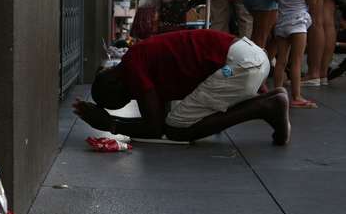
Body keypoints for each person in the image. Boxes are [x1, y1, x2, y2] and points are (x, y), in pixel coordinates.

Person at [72, 30, 291, 145]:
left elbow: (156, 128)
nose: (135, 98)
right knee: (179, 119)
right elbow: (157, 117)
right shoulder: (142, 60)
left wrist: (110, 124)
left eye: (128, 96)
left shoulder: (131, 66)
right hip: (250, 58)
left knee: (178, 129)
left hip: (238, 67)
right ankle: (269, 101)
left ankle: (267, 107)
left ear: (114, 82)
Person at [269, 0, 318, 108]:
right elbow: (313, 1)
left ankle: (277, 93)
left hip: (282, 23)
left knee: (281, 60)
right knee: (296, 62)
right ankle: (296, 96)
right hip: (298, 24)